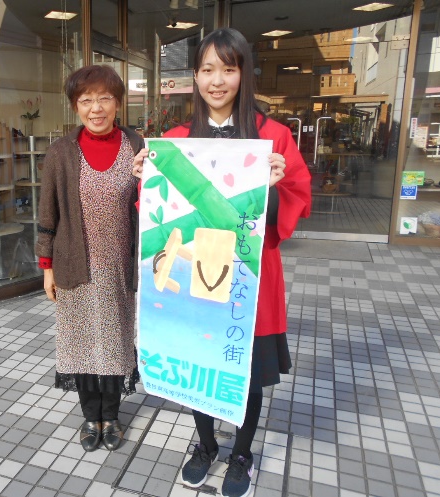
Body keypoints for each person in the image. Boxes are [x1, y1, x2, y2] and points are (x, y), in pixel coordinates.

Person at [133, 28, 311, 497]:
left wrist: (275, 186)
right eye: (208, 69)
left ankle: (242, 453)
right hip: (194, 273)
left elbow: (297, 200)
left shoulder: (273, 136)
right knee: (200, 362)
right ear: (194, 76)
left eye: (228, 69)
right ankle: (208, 444)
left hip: (249, 278)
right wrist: (147, 178)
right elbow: (156, 214)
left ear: (243, 74)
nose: (217, 80)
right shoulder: (174, 141)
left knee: (242, 372)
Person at [36, 65, 143, 452]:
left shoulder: (137, 145)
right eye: (86, 100)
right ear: (75, 106)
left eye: (104, 98)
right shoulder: (60, 152)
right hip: (74, 264)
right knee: (81, 343)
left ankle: (111, 415)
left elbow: (156, 200)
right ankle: (90, 416)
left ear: (117, 103)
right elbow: (47, 215)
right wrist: (46, 268)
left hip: (119, 266)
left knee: (114, 342)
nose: (95, 108)